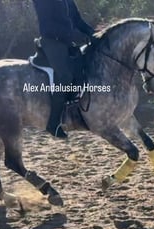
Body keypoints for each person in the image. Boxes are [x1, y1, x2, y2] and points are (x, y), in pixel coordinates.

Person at [32, 0, 95, 138]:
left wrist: (93, 33)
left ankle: (75, 113)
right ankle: (53, 123)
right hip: (52, 41)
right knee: (65, 76)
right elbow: (47, 26)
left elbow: (77, 20)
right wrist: (72, 34)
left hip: (67, 41)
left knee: (83, 70)